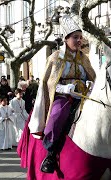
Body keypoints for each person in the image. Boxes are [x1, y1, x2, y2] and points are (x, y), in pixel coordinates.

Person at [28, 14, 96, 173]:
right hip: (63, 96)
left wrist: (91, 84)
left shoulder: (84, 58)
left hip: (84, 96)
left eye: (80, 37)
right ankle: (50, 153)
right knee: (57, 116)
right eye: (75, 37)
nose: (79, 40)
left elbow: (92, 76)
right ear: (66, 39)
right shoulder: (56, 57)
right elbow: (48, 82)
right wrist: (65, 89)